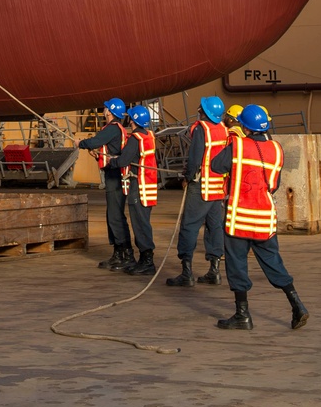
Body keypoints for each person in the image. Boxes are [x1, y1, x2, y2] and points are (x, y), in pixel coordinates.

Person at [208, 103, 309, 331]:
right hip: (264, 218)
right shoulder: (277, 149)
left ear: (244, 125)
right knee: (273, 262)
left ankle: (242, 315)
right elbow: (274, 185)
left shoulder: (238, 146)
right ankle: (297, 304)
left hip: (238, 218)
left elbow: (216, 165)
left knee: (236, 264)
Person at [166, 95, 227, 288]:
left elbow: (195, 159)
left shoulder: (202, 129)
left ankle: (186, 272)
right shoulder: (223, 130)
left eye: (200, 108)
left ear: (204, 112)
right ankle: (214, 270)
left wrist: (187, 176)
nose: (198, 111)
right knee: (215, 227)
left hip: (201, 186)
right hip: (218, 187)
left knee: (189, 227)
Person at [77, 98, 133, 269]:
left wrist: (81, 143)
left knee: (114, 216)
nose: (103, 110)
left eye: (106, 108)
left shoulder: (112, 128)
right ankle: (123, 252)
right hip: (116, 175)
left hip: (114, 177)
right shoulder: (118, 129)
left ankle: (122, 254)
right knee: (116, 215)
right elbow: (110, 150)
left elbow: (95, 141)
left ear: (110, 111)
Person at [114, 104, 158, 276]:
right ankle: (144, 259)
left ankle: (147, 261)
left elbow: (123, 160)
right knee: (143, 223)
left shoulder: (135, 138)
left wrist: (111, 162)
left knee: (140, 225)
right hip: (148, 185)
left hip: (137, 187)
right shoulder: (149, 136)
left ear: (132, 120)